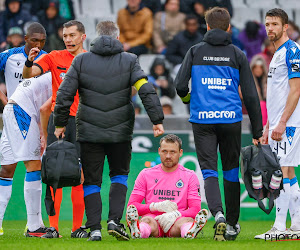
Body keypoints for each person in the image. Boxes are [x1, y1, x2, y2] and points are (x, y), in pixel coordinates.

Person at [53, 20, 164, 241]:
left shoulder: (81, 60)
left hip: (89, 132)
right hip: (120, 132)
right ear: (117, 36)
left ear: (96, 36)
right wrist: (157, 119)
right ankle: (114, 221)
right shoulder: (130, 60)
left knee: (92, 181)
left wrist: (59, 123)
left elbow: (64, 94)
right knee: (119, 176)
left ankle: (94, 229)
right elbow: (146, 90)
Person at [175, 7, 263, 241]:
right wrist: (257, 130)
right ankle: (232, 225)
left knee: (209, 171)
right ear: (228, 27)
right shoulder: (237, 53)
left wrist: (189, 100)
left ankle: (219, 215)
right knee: (231, 172)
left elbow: (180, 85)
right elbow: (252, 96)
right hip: (230, 120)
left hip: (202, 120)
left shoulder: (194, 51)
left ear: (206, 26)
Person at [22, 20, 87, 239]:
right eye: (65, 35)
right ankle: (53, 227)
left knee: (79, 176)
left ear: (82, 37)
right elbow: (29, 75)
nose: (68, 39)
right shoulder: (54, 57)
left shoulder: (90, 60)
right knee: (53, 175)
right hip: (58, 121)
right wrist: (29, 61)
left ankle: (77, 228)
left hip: (82, 123)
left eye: (72, 35)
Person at [255, 8, 300, 240]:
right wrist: (267, 126)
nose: (270, 28)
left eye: (274, 24)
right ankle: (297, 227)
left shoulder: (292, 50)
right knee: (289, 172)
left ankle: (280, 228)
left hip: (289, 124)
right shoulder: (277, 53)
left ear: (285, 27)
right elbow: (275, 96)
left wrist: (281, 123)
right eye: (267, 24)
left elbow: (296, 90)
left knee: (280, 173)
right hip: (278, 125)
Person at [126, 134, 208, 239]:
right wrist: (154, 207)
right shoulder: (145, 174)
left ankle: (189, 232)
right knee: (147, 221)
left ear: (180, 153)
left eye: (172, 152)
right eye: (165, 151)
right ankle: (138, 232)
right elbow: (132, 207)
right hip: (153, 218)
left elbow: (195, 209)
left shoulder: (190, 176)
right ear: (159, 151)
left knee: (185, 222)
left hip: (177, 220)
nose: (168, 156)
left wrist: (175, 214)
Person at [0, 72, 51, 237]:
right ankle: (34, 227)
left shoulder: (55, 71)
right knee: (34, 165)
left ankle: (34, 224)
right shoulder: (65, 78)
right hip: (21, 112)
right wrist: (44, 135)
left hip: (14, 109)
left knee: (7, 169)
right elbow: (45, 109)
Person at [250, 55, 268, 126]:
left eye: (260, 68)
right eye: (256, 68)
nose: (258, 70)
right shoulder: (248, 81)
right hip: (253, 113)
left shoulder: (268, 81)